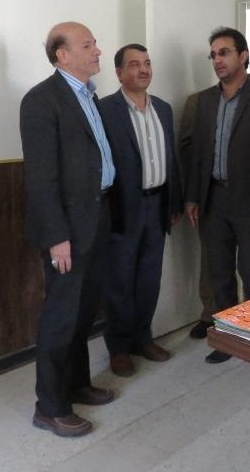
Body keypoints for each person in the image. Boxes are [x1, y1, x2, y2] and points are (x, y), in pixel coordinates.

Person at [20, 21, 116, 438]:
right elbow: (41, 178)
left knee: (84, 310)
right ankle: (50, 406)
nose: (97, 51)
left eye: (95, 44)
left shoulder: (88, 96)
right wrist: (57, 237)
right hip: (68, 230)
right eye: (88, 45)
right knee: (61, 316)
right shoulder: (41, 100)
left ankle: (77, 384)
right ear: (62, 55)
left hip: (97, 217)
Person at [185, 27, 250, 363]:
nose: (217, 60)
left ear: (243, 56)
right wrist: (193, 197)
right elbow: (198, 153)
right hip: (214, 199)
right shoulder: (206, 101)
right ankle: (228, 338)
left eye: (224, 53)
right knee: (219, 273)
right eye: (213, 55)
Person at [98, 44, 182, 377]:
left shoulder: (163, 109)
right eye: (134, 64)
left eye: (147, 63)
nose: (143, 69)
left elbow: (171, 158)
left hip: (158, 205)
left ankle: (142, 337)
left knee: (149, 278)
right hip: (123, 208)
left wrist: (174, 202)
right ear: (119, 72)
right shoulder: (105, 110)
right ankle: (119, 347)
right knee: (119, 280)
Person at [178, 91, 217, 340]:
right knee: (211, 258)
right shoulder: (198, 101)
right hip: (210, 193)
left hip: (247, 196)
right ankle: (210, 313)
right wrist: (193, 193)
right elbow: (186, 150)